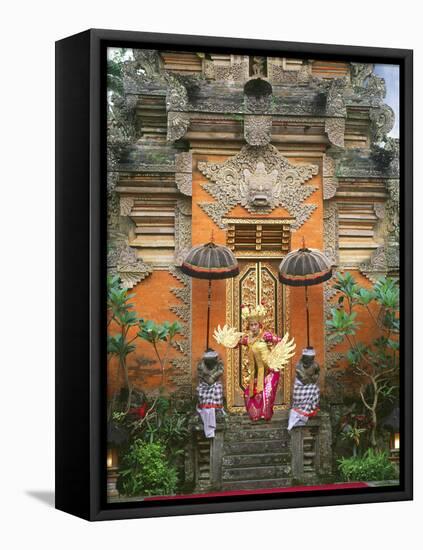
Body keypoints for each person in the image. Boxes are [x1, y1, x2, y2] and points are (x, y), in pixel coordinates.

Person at [214, 304, 295, 422]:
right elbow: (236, 343)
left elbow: (280, 341)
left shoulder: (265, 335)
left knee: (266, 395)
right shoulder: (248, 339)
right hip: (255, 373)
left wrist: (277, 352)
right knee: (249, 394)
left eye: (255, 324)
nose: (253, 327)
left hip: (270, 371)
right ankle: (255, 415)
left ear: (259, 325)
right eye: (251, 325)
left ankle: (265, 415)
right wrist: (226, 340)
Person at [288, 348, 320, 430]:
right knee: (298, 397)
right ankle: (299, 412)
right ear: (304, 357)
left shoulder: (315, 365)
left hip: (310, 384)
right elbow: (303, 379)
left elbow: (317, 374)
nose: (308, 360)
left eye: (310, 359)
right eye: (307, 358)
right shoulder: (299, 365)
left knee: (316, 390)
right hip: (300, 385)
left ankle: (312, 408)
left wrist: (314, 378)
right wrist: (310, 379)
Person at [196, 349, 224, 438]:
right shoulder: (201, 365)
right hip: (204, 383)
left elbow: (220, 371)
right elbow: (201, 375)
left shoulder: (219, 363)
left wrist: (213, 377)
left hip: (215, 382)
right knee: (200, 390)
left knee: (218, 388)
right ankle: (205, 406)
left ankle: (217, 408)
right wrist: (207, 379)